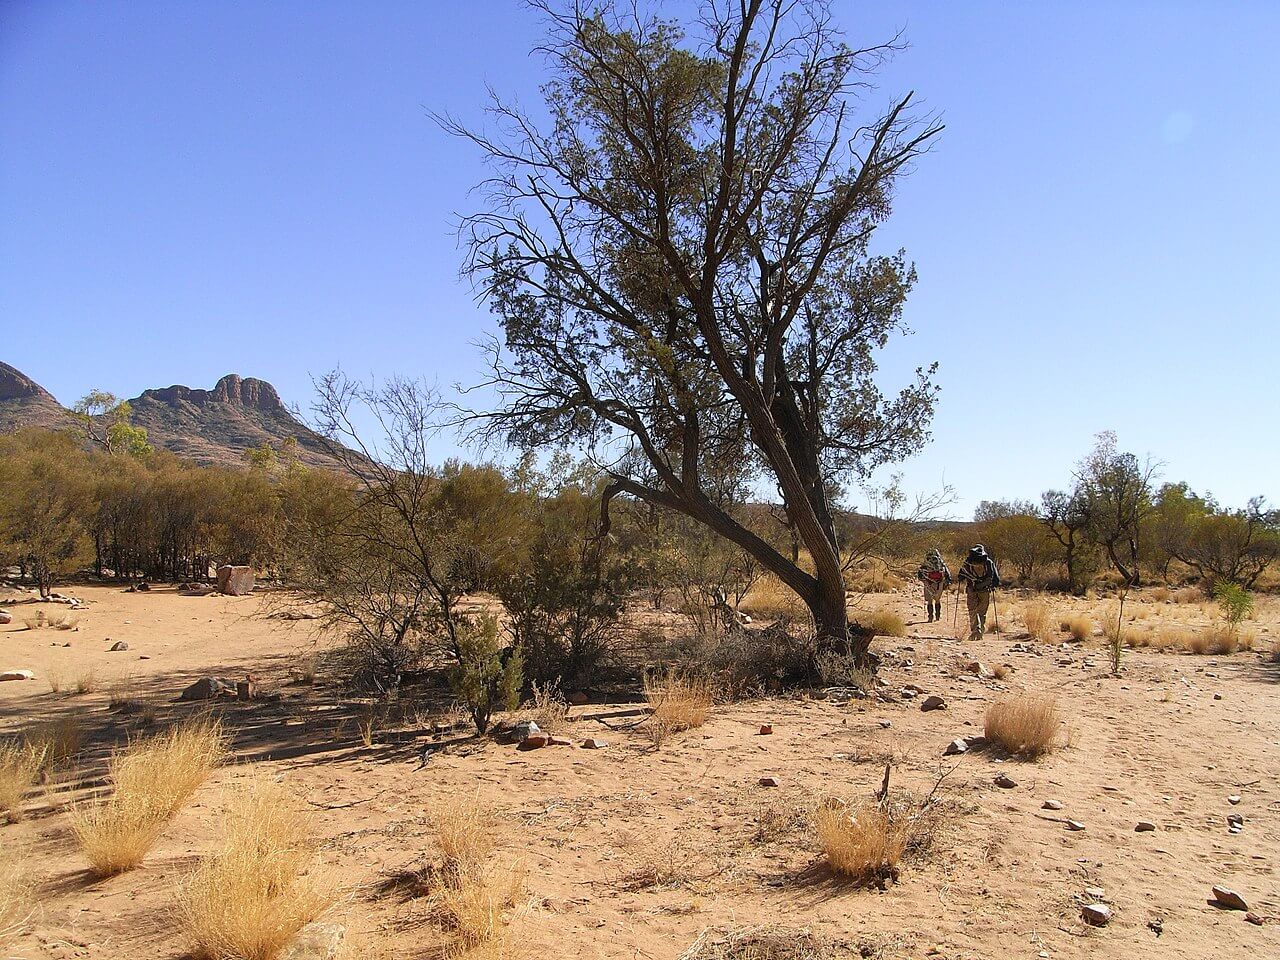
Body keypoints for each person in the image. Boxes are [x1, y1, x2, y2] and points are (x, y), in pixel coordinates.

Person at [957, 544, 1001, 640]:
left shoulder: (968, 561)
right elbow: (995, 577)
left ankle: (975, 631)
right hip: (985, 589)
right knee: (982, 612)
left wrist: (960, 579)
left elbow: (961, 575)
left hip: (971, 589)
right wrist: (994, 585)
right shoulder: (988, 562)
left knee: (972, 611)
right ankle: (980, 631)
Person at [915, 548, 952, 622]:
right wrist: (948, 582)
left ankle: (930, 617)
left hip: (928, 583)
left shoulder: (925, 564)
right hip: (939, 583)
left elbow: (920, 575)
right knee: (937, 600)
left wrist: (924, 581)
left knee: (930, 601)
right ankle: (937, 616)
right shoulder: (941, 563)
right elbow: (947, 574)